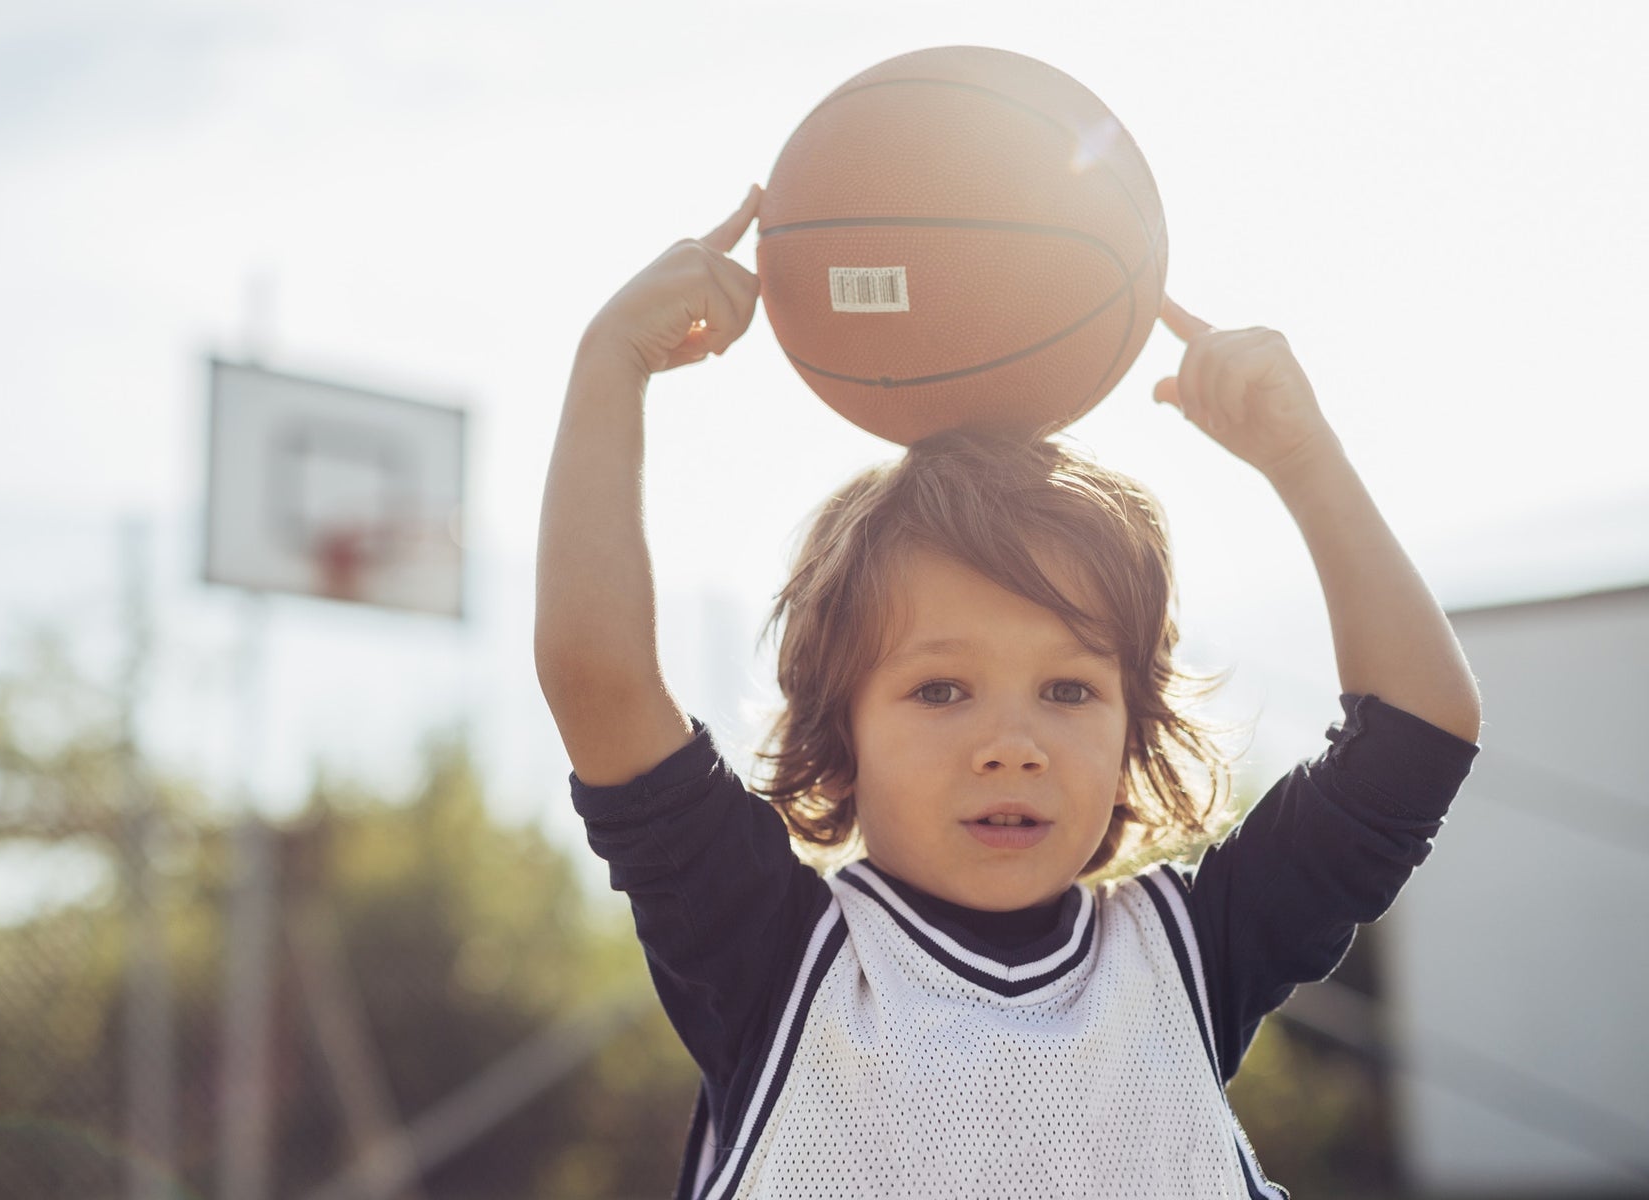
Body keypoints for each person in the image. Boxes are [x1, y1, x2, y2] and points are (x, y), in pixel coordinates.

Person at [534, 184, 1482, 1199]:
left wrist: (1302, 458)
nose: (1010, 743)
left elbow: (1416, 735)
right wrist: (611, 364)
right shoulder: (775, 960)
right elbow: (602, 685)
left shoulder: (1190, 957)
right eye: (940, 689)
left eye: (1068, 691)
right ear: (839, 732)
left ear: (1132, 732)